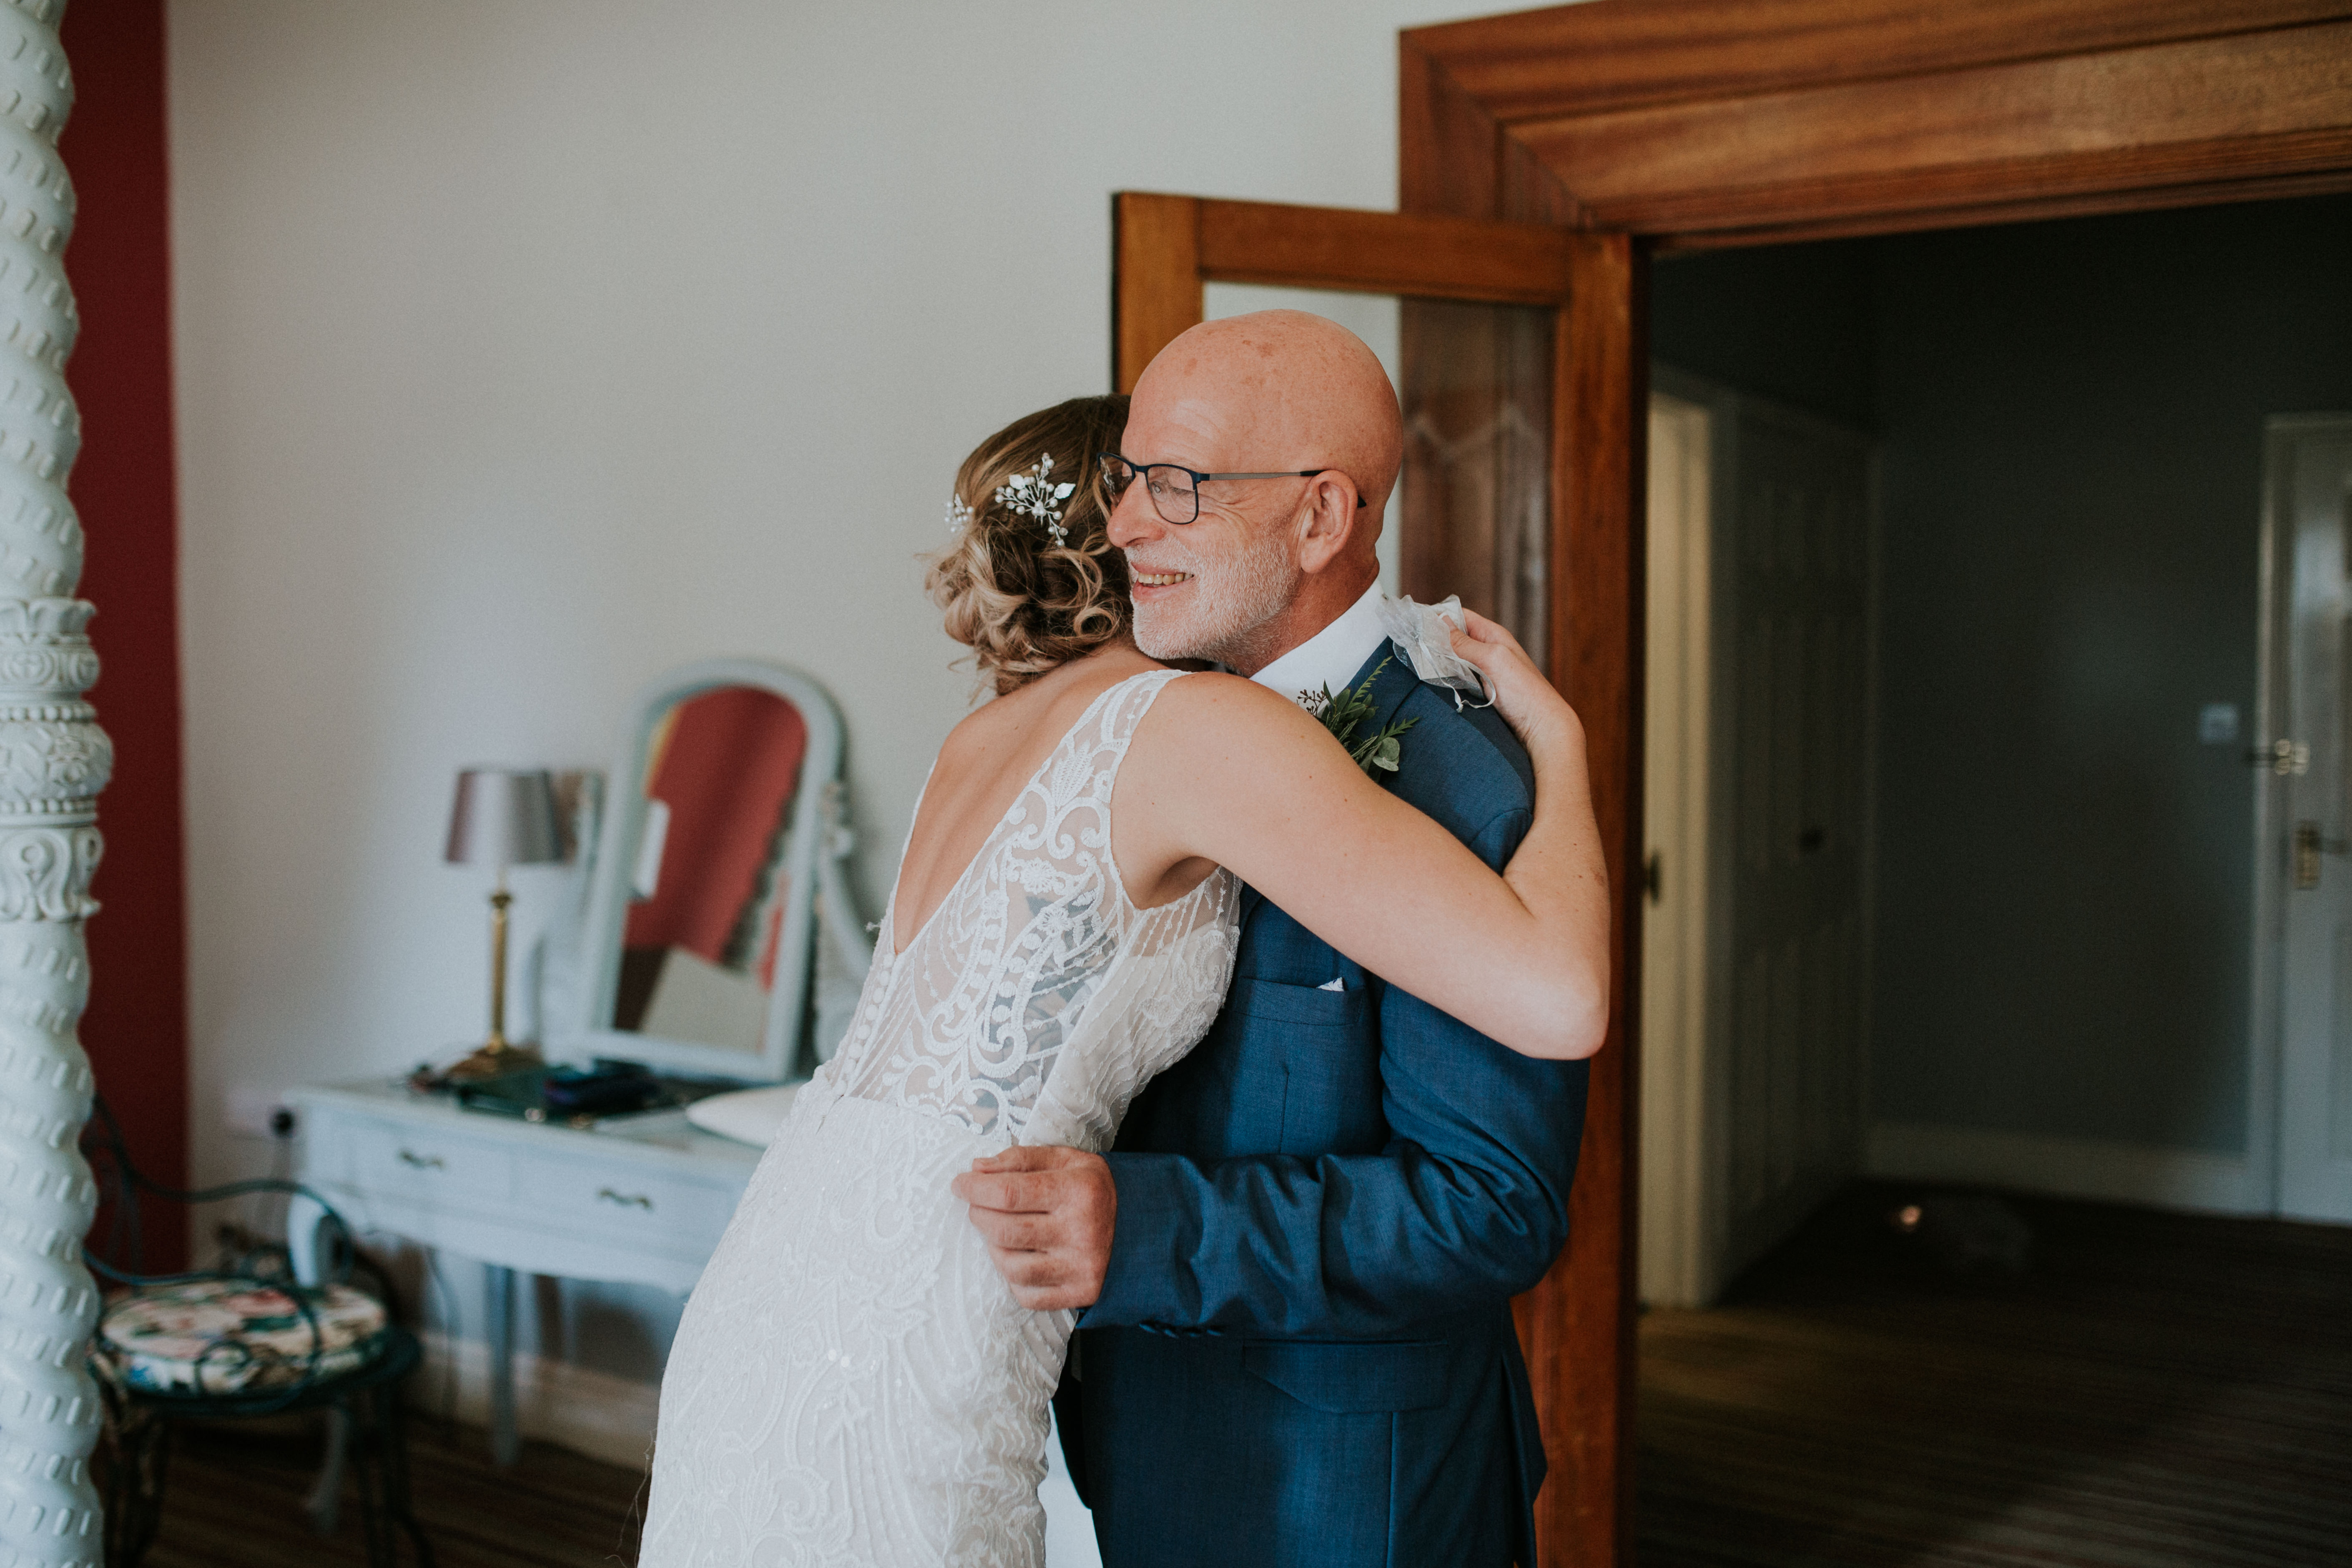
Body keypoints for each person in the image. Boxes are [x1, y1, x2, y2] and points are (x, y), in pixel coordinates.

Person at [639, 320, 1606, 1568]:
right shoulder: (1097, 726)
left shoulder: (1463, 781)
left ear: (1319, 520)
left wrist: (1149, 1230)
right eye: (1125, 478)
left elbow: (1496, 1203)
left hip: (1344, 1487)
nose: (1127, 524)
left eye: (1177, 486)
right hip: (1081, 1427)